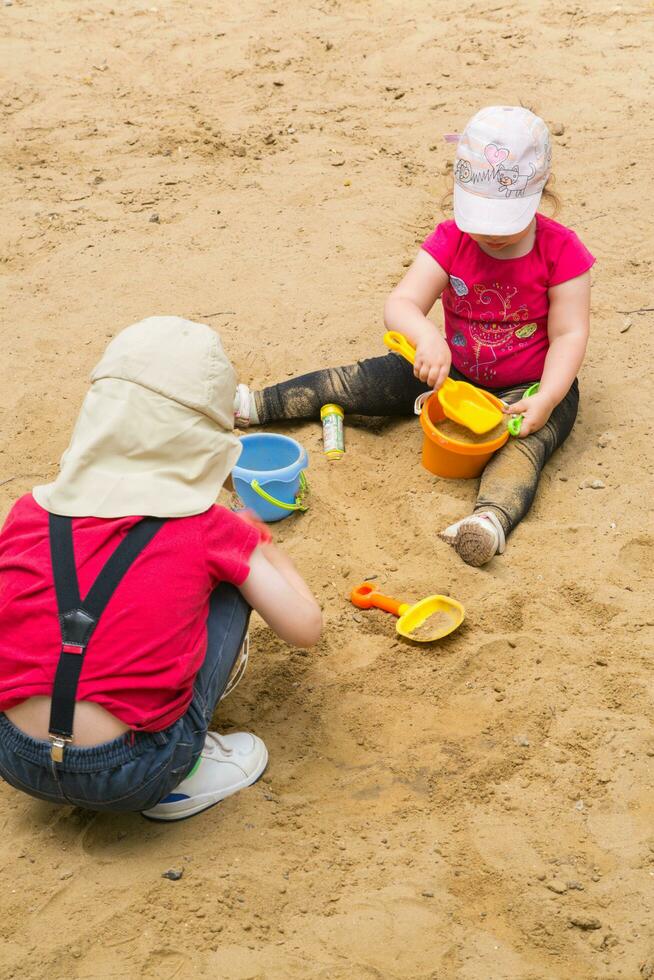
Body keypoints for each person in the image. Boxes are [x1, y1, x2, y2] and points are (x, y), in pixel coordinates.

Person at [233, 106, 595, 566]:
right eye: (478, 220)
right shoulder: (451, 240)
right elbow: (401, 304)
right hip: (449, 370)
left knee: (526, 450)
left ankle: (487, 522)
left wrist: (546, 398)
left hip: (526, 389)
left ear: (539, 193)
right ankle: (255, 405)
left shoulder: (562, 252)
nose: (488, 235)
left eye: (502, 223)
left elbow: (569, 334)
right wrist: (427, 338)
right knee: (356, 382)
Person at [0, 317, 321, 822]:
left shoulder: (28, 512)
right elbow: (306, 628)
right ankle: (185, 777)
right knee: (233, 578)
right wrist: (257, 542)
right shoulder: (211, 527)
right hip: (136, 769)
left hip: (15, 757)